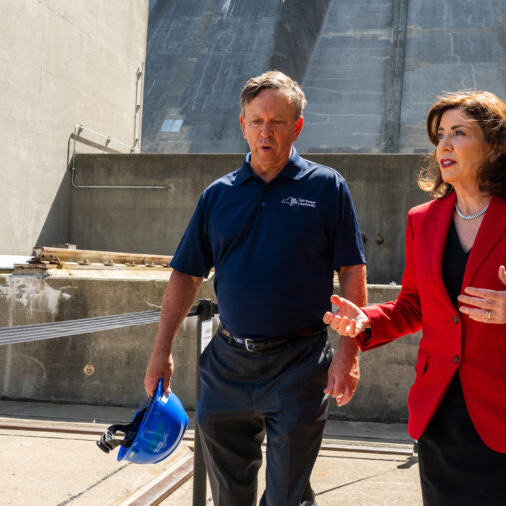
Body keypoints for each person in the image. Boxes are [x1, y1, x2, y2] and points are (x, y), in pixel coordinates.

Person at [324, 90, 506, 505]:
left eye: (459, 133)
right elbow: (415, 305)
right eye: (440, 135)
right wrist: (367, 321)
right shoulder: (423, 220)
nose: (444, 145)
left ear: (495, 146)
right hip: (442, 417)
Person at [142, 70, 367, 506]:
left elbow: (352, 272)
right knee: (229, 496)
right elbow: (187, 275)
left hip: (300, 364)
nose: (266, 132)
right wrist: (160, 350)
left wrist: (348, 353)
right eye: (256, 121)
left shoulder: (326, 187)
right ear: (242, 124)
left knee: (286, 496)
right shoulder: (217, 195)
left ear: (297, 126)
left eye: (278, 122)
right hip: (227, 366)